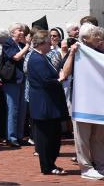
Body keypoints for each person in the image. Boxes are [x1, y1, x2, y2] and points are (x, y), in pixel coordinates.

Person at [61, 23, 104, 180]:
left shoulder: (100, 52)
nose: (100, 41)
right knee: (83, 137)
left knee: (99, 137)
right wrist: (72, 54)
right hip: (82, 101)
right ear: (86, 39)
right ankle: (86, 167)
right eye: (96, 38)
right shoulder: (77, 51)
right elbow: (64, 73)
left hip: (100, 102)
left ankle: (100, 165)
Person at [27, 30, 69, 175]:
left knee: (53, 135)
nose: (51, 44)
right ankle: (47, 166)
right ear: (42, 43)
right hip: (44, 103)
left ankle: (51, 164)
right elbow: (46, 81)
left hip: (48, 102)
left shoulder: (42, 57)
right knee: (45, 137)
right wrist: (60, 79)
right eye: (48, 41)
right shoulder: (36, 59)